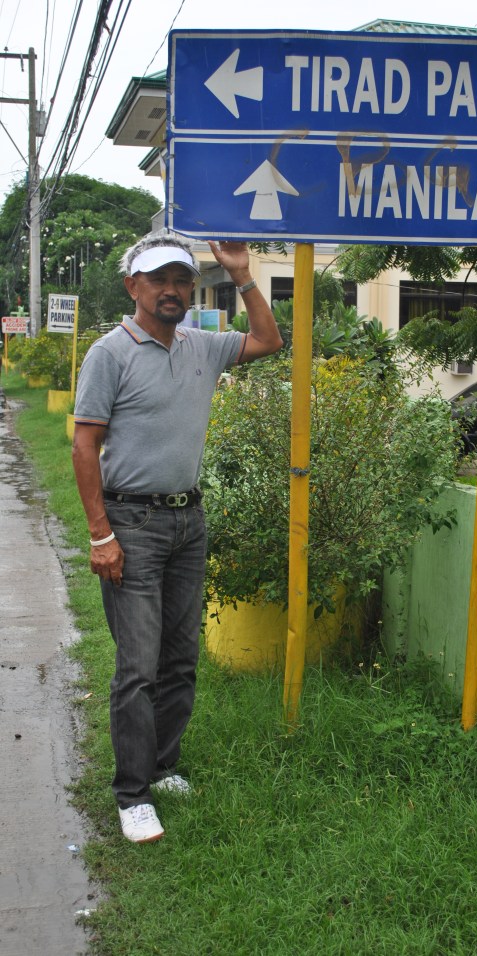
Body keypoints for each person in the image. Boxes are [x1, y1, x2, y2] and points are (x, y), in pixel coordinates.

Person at [72, 233, 282, 843]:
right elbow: (85, 444)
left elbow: (269, 340)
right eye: (158, 280)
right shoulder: (110, 353)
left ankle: (162, 766)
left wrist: (241, 273)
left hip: (189, 522)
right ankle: (132, 794)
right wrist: (100, 535)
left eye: (182, 280)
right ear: (132, 287)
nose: (172, 291)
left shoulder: (202, 346)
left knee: (180, 658)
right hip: (130, 524)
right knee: (138, 666)